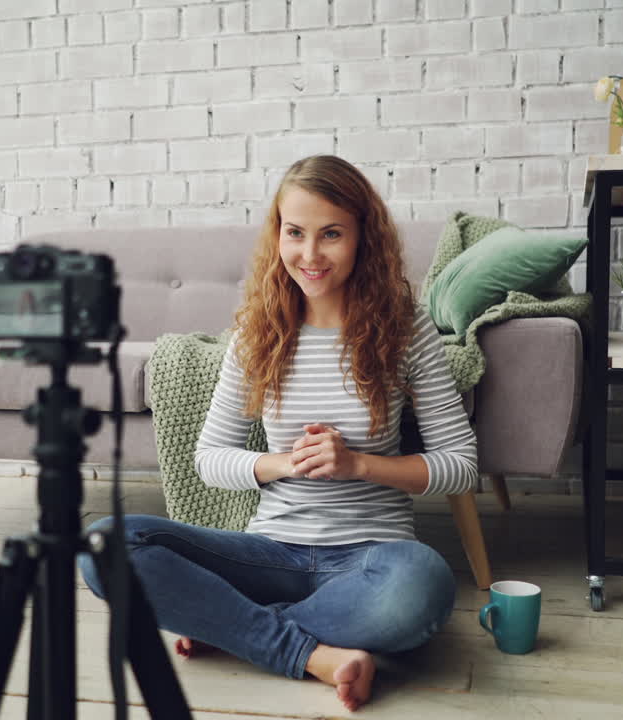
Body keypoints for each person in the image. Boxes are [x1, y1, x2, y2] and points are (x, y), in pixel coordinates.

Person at [78, 155, 478, 712]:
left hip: (371, 560)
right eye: (296, 233)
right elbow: (209, 458)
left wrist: (359, 465)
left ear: (364, 236)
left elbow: (461, 462)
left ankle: (232, 629)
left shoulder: (404, 327)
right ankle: (315, 654)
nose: (310, 255)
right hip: (268, 556)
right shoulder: (259, 331)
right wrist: (281, 464)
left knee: (425, 585)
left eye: (331, 234)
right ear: (278, 234)